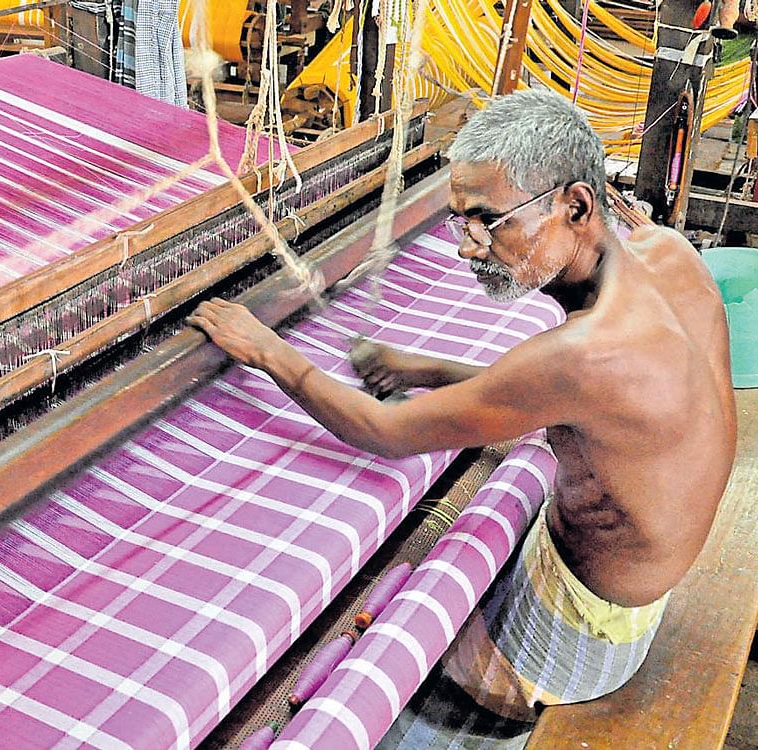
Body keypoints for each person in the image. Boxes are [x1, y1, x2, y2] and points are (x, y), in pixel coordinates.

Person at [187, 88, 737, 747]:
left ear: (577, 206)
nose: (467, 250)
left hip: (579, 635)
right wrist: (424, 369)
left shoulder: (584, 358)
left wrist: (267, 350)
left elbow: (384, 433)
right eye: (460, 222)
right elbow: (591, 404)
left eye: (489, 221)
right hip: (639, 590)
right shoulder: (669, 254)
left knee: (373, 690)